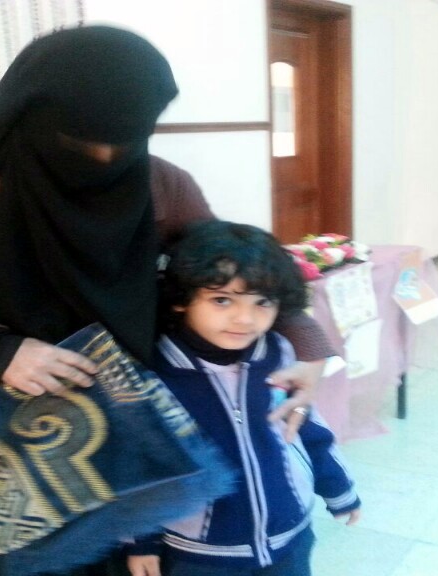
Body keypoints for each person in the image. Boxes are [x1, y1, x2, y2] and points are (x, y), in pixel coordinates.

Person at [0, 25, 335, 576]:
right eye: (81, 141)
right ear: (32, 112)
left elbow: (238, 270)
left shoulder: (162, 184)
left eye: (124, 141)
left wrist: (309, 346)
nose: (104, 156)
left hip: (110, 448)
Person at [125, 220, 361, 576]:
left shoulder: (280, 355)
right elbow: (138, 463)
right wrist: (141, 541)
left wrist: (339, 488)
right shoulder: (156, 374)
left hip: (289, 536)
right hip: (198, 553)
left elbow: (308, 427)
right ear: (182, 300)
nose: (245, 319)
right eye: (222, 300)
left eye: (262, 302)